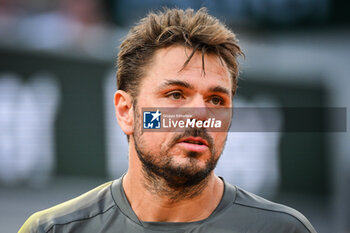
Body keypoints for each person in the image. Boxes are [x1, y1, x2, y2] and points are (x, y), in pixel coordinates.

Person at [19, 8, 317, 233]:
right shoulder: (54, 229)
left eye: (216, 100)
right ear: (125, 112)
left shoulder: (282, 229)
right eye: (176, 95)